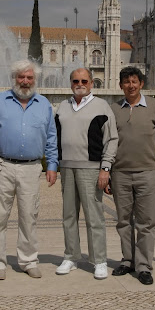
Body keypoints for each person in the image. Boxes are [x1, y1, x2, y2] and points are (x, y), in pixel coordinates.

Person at [0, 59, 58, 280]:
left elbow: (51, 138)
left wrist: (52, 165)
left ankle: (28, 260)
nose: (25, 81)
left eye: (29, 77)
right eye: (21, 77)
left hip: (31, 167)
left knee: (29, 215)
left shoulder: (44, 104)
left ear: (35, 80)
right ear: (14, 78)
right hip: (1, 165)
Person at [55, 68, 118, 280]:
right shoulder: (63, 106)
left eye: (84, 80)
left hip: (91, 168)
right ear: (70, 83)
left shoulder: (102, 106)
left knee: (94, 217)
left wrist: (105, 168)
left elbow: (111, 139)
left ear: (91, 83)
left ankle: (99, 260)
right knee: (69, 215)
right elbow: (55, 138)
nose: (80, 83)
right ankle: (71, 256)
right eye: (75, 80)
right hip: (67, 167)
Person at [109, 67, 155, 285]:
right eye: (126, 82)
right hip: (121, 173)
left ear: (141, 84)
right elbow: (108, 142)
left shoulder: (154, 106)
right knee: (124, 221)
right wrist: (108, 171)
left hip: (148, 173)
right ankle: (127, 260)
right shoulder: (113, 109)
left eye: (134, 81)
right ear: (121, 85)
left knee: (146, 222)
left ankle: (143, 266)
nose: (131, 85)